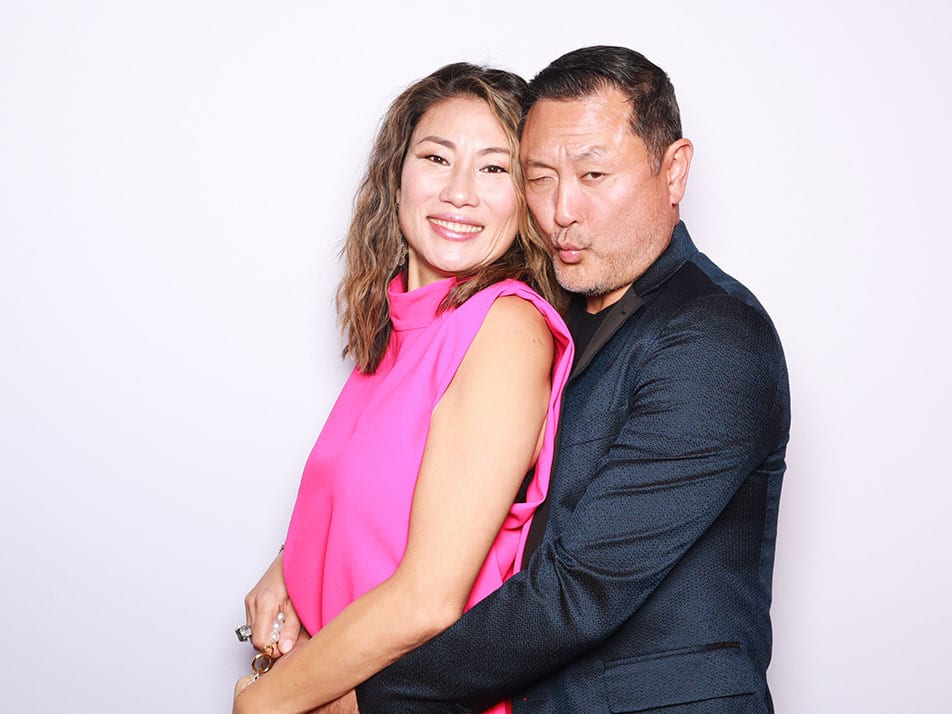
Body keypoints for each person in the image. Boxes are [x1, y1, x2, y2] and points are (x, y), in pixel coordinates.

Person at [351, 46, 791, 713]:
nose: (561, 210)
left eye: (593, 174)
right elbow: (410, 460)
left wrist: (361, 699)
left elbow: (578, 591)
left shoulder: (715, 339)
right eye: (539, 177)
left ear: (673, 171)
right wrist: (291, 568)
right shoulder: (534, 315)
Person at [232, 63, 574, 714]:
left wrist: (262, 705)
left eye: (494, 168)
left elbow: (427, 599)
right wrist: (291, 560)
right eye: (437, 157)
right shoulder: (399, 321)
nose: (460, 193)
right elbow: (377, 494)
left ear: (526, 196)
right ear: (398, 173)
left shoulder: (503, 329)